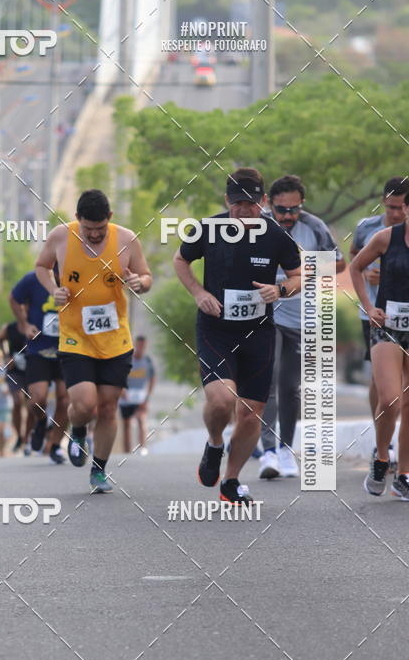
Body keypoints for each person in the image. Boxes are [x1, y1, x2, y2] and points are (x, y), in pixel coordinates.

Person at [173, 168, 302, 505]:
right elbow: (180, 260)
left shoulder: (275, 235)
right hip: (216, 328)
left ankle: (230, 482)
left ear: (262, 201)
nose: (244, 210)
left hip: (259, 332)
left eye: (250, 203)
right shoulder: (208, 229)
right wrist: (199, 293)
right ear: (226, 201)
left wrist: (281, 289)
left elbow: (298, 274)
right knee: (221, 400)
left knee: (250, 414)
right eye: (236, 203)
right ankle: (215, 442)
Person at [35, 189, 153, 493]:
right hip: (76, 337)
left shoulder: (126, 239)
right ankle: (77, 430)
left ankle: (99, 470)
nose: (95, 234)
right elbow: (41, 266)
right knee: (85, 404)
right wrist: (53, 289)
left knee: (108, 406)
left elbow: (145, 276)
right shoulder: (61, 236)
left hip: (115, 340)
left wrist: (140, 283)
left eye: (100, 229)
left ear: (109, 219)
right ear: (77, 220)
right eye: (88, 229)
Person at [258, 174, 346, 480]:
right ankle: (267, 451)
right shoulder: (260, 225)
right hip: (266, 315)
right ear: (269, 204)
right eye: (282, 210)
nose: (288, 217)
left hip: (300, 316)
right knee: (266, 382)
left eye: (294, 210)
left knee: (290, 387)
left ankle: (285, 449)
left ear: (301, 205)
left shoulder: (315, 227)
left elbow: (339, 264)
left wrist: (303, 268)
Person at [350, 190, 409, 500]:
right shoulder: (386, 237)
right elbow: (355, 267)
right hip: (387, 326)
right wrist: (369, 306)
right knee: (389, 400)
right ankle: (382, 458)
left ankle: (404, 475)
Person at [10, 268, 68, 464]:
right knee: (37, 399)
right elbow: (13, 299)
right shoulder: (34, 279)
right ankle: (41, 421)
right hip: (38, 349)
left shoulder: (78, 275)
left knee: (65, 400)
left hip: (67, 350)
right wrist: (24, 325)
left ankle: (55, 445)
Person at [0, 320, 32, 453]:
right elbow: (0, 340)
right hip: (14, 370)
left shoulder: (36, 323)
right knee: (17, 401)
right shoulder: (9, 328)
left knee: (32, 405)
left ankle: (27, 438)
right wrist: (6, 356)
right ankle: (19, 435)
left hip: (33, 369)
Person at [119, 335, 156, 454]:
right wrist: (122, 390)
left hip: (140, 396)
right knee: (127, 424)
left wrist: (147, 396)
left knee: (141, 419)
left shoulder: (147, 361)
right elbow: (119, 375)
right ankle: (127, 451)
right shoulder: (128, 360)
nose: (140, 348)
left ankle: (143, 447)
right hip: (126, 396)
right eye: (139, 345)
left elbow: (152, 378)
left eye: (143, 346)